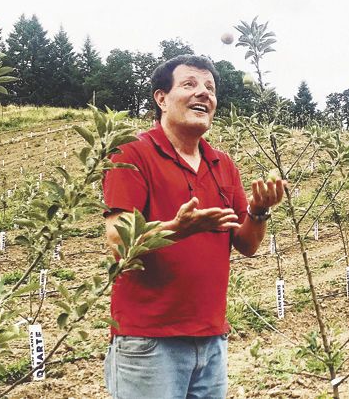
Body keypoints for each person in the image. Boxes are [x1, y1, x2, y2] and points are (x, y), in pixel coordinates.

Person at [102, 55, 284, 398]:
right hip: (149, 342)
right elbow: (118, 242)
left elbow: (247, 245)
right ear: (161, 98)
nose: (203, 93)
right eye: (189, 85)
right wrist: (176, 229)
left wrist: (258, 211)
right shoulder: (132, 152)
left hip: (211, 339)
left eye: (210, 88)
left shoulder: (222, 164)